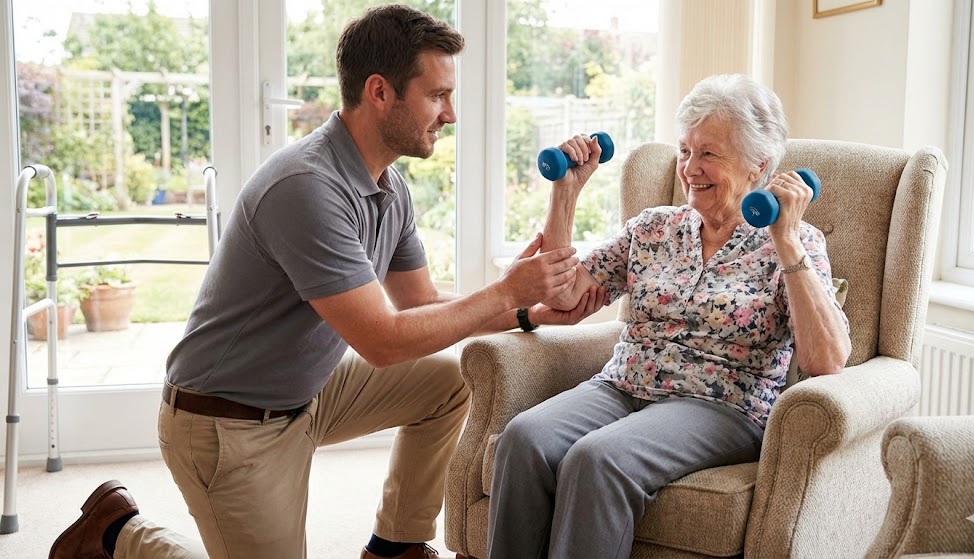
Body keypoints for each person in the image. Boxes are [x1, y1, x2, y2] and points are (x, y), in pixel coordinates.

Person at [48, 5, 605, 559]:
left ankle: (395, 547)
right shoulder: (307, 187)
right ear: (380, 92)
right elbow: (384, 341)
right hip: (228, 420)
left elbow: (421, 305)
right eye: (437, 96)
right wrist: (507, 291)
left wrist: (527, 313)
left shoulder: (388, 186)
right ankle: (116, 533)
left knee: (446, 381)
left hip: (307, 392)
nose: (450, 115)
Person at [485, 73, 852, 559]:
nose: (690, 168)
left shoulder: (798, 242)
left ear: (757, 166)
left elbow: (827, 361)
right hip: (623, 385)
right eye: (685, 151)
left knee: (599, 460)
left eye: (709, 154)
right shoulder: (654, 227)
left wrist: (786, 239)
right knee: (524, 439)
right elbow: (561, 296)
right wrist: (566, 193)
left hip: (722, 404)